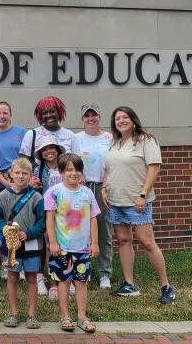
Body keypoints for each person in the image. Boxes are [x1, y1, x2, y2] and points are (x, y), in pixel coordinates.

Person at [103, 106, 174, 305]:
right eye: (117, 118)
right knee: (124, 241)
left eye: (125, 117)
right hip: (116, 201)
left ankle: (166, 286)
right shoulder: (114, 142)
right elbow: (109, 168)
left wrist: (143, 194)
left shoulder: (146, 140)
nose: (121, 121)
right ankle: (129, 284)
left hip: (137, 202)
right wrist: (104, 189)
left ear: (133, 119)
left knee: (147, 242)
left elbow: (154, 168)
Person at [45, 154, 100, 333]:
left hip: (82, 248)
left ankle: (82, 316)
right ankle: (65, 316)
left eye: (77, 169)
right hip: (61, 249)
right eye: (69, 170)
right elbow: (49, 219)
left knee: (81, 283)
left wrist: (95, 243)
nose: (73, 173)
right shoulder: (54, 192)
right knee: (64, 282)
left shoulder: (87, 193)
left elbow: (93, 219)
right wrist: (52, 242)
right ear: (61, 172)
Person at [0, 156, 45, 330]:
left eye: (25, 173)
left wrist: (29, 233)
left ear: (31, 175)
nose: (21, 176)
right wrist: (5, 230)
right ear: (11, 174)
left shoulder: (37, 197)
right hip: (10, 247)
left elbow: (42, 222)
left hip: (31, 245)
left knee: (32, 278)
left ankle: (32, 314)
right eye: (17, 173)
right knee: (12, 277)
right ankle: (13, 313)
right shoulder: (2, 196)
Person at [75, 103, 114, 290]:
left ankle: (105, 273)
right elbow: (71, 162)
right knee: (80, 231)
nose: (91, 119)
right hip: (81, 187)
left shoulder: (109, 138)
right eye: (87, 116)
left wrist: (105, 186)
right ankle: (83, 269)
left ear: (99, 117)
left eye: (94, 115)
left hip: (102, 188)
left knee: (104, 231)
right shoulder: (76, 138)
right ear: (82, 119)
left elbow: (112, 164)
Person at [33, 135, 66, 298]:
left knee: (65, 244)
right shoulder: (38, 170)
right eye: (44, 149)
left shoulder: (66, 167)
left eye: (51, 147)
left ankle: (66, 277)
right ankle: (48, 280)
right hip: (45, 212)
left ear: (58, 149)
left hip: (65, 212)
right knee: (48, 246)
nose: (49, 151)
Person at [19, 96, 81, 165]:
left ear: (59, 112)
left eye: (52, 111)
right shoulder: (32, 134)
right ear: (40, 116)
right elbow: (23, 164)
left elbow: (77, 164)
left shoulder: (70, 135)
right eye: (45, 113)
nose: (48, 115)